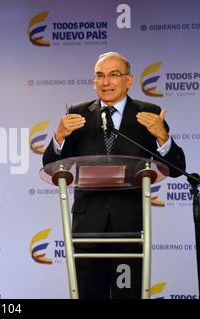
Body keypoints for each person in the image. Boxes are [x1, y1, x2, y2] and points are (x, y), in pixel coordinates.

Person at [42, 52, 186, 299]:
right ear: (93, 81)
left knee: (127, 295)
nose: (106, 82)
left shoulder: (148, 113)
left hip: (128, 229)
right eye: (100, 75)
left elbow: (176, 169)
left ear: (129, 80)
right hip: (87, 229)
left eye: (113, 75)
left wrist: (162, 136)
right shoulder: (78, 113)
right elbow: (52, 165)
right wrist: (59, 137)